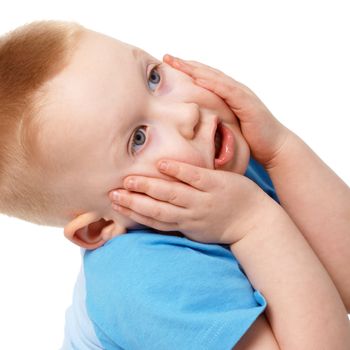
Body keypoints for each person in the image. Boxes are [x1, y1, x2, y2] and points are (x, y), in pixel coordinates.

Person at [0, 21, 349, 349]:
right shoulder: (142, 280)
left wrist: (280, 150)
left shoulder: (211, 164)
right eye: (138, 138)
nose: (186, 114)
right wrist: (254, 224)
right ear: (99, 227)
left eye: (153, 78)